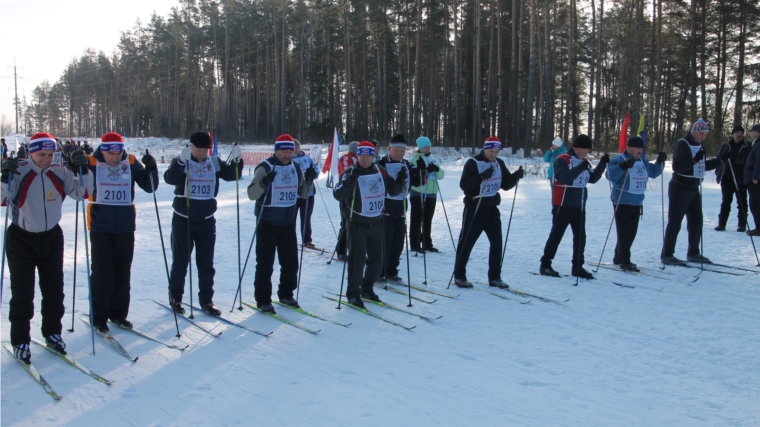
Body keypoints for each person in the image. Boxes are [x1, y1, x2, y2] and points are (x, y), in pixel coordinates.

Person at [1, 132, 93, 363]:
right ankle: (20, 339)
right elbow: (2, 199)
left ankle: (52, 333)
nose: (46, 159)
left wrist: (85, 170)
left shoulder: (60, 172)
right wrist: (4, 176)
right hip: (21, 238)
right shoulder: (19, 171)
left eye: (50, 154)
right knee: (23, 292)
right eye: (41, 154)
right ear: (31, 152)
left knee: (54, 290)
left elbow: (82, 193)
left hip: (51, 238)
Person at [85, 132, 158, 332]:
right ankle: (98, 316)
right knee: (102, 272)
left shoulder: (131, 161)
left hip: (125, 226)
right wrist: (76, 165)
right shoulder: (91, 161)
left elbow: (150, 186)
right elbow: (76, 179)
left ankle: (118, 314)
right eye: (111, 154)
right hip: (100, 225)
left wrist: (152, 168)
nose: (115, 158)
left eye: (118, 154)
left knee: (122, 271)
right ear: (103, 150)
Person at [164, 131, 243, 315]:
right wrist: (179, 162)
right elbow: (170, 179)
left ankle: (206, 300)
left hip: (207, 221)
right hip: (183, 220)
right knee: (181, 261)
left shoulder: (213, 162)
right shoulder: (183, 159)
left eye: (204, 150)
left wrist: (238, 160)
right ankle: (176, 298)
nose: (201, 153)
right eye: (198, 150)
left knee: (206, 263)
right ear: (190, 146)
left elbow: (232, 175)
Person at [247, 135, 315, 313]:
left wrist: (309, 180)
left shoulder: (296, 167)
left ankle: (286, 294)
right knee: (265, 264)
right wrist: (263, 182)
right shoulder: (265, 167)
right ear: (276, 150)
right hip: (267, 222)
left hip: (288, 223)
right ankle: (263, 299)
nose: (286, 155)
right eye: (283, 151)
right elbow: (252, 194)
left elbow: (304, 194)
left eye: (290, 151)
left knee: (291, 263)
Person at [333, 141, 404, 307]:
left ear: (373, 156)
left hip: (377, 223)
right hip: (357, 223)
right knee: (357, 261)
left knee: (377, 261)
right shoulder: (350, 172)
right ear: (357, 155)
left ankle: (367, 288)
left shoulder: (381, 171)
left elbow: (393, 190)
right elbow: (338, 194)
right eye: (362, 155)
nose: (365, 158)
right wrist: (350, 180)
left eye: (368, 155)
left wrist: (400, 180)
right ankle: (353, 293)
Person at [454, 136, 523, 288]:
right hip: (474, 209)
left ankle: (495, 277)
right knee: (466, 243)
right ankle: (459, 275)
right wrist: (480, 177)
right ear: (485, 149)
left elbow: (504, 185)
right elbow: (464, 186)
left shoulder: (499, 163)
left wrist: (515, 177)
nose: (493, 154)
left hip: (492, 209)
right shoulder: (473, 163)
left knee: (497, 243)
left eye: (496, 151)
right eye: (491, 151)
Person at [539, 134, 609, 279]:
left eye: (587, 150)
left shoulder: (583, 161)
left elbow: (593, 178)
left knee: (580, 237)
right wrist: (579, 168)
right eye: (582, 149)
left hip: (579, 205)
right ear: (575, 147)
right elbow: (563, 177)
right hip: (563, 204)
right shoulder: (563, 159)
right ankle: (545, 264)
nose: (585, 152)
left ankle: (577, 267)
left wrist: (602, 163)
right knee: (556, 235)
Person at [661, 119, 723, 265]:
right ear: (694, 131)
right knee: (675, 222)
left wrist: (719, 161)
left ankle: (693, 252)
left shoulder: (699, 145)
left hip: (694, 188)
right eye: (701, 133)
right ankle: (667, 254)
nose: (703, 137)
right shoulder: (683, 143)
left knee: (696, 221)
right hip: (680, 187)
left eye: (705, 134)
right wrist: (694, 160)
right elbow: (678, 166)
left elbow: (701, 166)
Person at [606, 136, 666, 272]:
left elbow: (653, 172)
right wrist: (623, 167)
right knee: (624, 232)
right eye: (636, 148)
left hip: (637, 201)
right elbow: (610, 175)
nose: (639, 151)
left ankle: (619, 257)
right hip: (622, 200)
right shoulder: (619, 159)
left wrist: (660, 161)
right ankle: (625, 260)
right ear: (628, 148)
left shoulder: (643, 161)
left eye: (641, 148)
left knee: (631, 232)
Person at [377, 134, 420, 283]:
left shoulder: (407, 164)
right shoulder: (380, 164)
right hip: (384, 207)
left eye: (402, 151)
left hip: (401, 207)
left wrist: (421, 172)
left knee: (398, 243)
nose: (399, 154)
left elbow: (417, 183)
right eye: (396, 150)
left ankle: (391, 271)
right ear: (389, 149)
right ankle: (379, 272)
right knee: (385, 242)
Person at [409, 136, 445, 253]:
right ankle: (415, 244)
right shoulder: (414, 159)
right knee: (417, 219)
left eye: (429, 147)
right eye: (425, 147)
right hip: (419, 192)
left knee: (428, 219)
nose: (427, 149)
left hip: (431, 193)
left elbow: (441, 176)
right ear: (420, 148)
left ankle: (427, 243)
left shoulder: (433, 159)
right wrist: (425, 170)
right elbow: (413, 175)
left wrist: (437, 169)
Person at [714, 125, 751, 232]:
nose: (739, 134)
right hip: (727, 178)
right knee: (726, 202)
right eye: (737, 132)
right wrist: (720, 172)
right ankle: (721, 224)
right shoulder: (726, 146)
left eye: (741, 132)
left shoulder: (747, 146)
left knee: (742, 203)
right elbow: (718, 160)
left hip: (741, 179)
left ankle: (742, 225)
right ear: (733, 134)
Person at [335, 141, 359, 259]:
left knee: (345, 221)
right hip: (349, 193)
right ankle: (341, 249)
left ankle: (341, 248)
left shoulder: (343, 157)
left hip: (346, 191)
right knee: (347, 221)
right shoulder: (353, 159)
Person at [744, 124, 760, 236]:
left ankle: (759, 228)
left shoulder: (759, 144)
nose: (751, 134)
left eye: (752, 132)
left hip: (755, 180)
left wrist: (755, 177)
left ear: (757, 133)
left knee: (755, 204)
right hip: (753, 178)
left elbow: (759, 162)